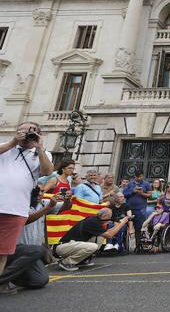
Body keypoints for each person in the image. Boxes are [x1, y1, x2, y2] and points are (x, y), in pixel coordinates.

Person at [0, 121, 54, 293]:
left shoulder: (42, 154)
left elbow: (47, 171)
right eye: (21, 131)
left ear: (39, 134)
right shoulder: (6, 147)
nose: (25, 135)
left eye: (30, 132)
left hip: (15, 209)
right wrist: (13, 142)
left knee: (3, 253)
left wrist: (39, 148)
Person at [0, 187, 72, 294]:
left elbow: (65, 207)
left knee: (40, 280)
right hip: (13, 249)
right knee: (39, 250)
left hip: (31, 252)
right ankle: (2, 280)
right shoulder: (18, 204)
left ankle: (9, 276)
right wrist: (48, 208)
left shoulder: (43, 203)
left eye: (42, 191)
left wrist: (67, 200)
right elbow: (26, 220)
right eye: (36, 191)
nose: (40, 194)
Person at [55, 208, 130, 271]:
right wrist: (123, 222)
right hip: (63, 247)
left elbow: (108, 233)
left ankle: (82, 260)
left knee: (100, 237)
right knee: (93, 246)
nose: (110, 218)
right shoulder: (92, 222)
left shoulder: (94, 220)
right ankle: (66, 262)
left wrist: (120, 223)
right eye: (110, 216)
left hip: (70, 246)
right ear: (104, 216)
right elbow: (109, 235)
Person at [122, 170, 151, 248]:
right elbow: (124, 194)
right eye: (138, 177)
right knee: (126, 227)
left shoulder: (146, 184)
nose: (140, 178)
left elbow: (150, 195)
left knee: (139, 227)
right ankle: (125, 247)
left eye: (141, 176)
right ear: (135, 176)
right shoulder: (130, 184)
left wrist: (142, 193)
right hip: (129, 209)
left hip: (141, 209)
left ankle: (138, 246)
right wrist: (133, 191)